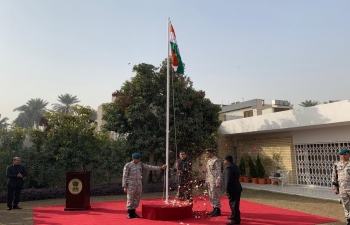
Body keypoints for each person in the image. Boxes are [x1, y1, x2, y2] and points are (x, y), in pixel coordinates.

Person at [122, 152, 167, 219]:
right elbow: (125, 176)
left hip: (138, 184)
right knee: (130, 198)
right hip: (131, 184)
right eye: (137, 159)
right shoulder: (128, 165)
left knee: (137, 198)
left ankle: (133, 212)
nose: (138, 160)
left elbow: (149, 167)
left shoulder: (141, 164)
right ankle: (129, 212)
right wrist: (125, 186)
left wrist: (160, 168)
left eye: (139, 159)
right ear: (133, 158)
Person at [332, 148, 350, 225]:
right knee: (345, 205)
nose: (343, 156)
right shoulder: (337, 164)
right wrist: (335, 188)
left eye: (345, 154)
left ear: (349, 154)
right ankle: (349, 220)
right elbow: (334, 176)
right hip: (342, 188)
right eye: (341, 155)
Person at [224, 155, 242, 225]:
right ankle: (235, 216)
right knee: (236, 204)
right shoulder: (235, 166)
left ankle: (235, 220)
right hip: (237, 187)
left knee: (233, 204)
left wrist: (226, 190)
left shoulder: (229, 167)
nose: (224, 161)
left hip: (233, 188)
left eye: (224, 160)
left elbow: (228, 180)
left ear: (227, 160)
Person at [204, 148, 222, 217]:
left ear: (211, 153)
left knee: (215, 195)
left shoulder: (216, 160)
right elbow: (208, 172)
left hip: (214, 181)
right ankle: (214, 208)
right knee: (211, 195)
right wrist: (206, 180)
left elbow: (218, 172)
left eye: (207, 153)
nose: (206, 154)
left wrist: (218, 182)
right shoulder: (209, 161)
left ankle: (217, 210)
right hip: (209, 180)